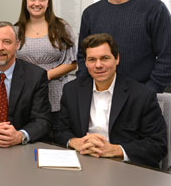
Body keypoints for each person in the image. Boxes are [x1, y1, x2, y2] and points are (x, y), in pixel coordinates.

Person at [55, 33, 167, 168]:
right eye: (91, 59)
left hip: (124, 167)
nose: (98, 65)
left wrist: (115, 150)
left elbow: (157, 145)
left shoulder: (142, 95)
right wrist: (75, 142)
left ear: (117, 59)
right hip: (82, 162)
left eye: (105, 58)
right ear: (85, 62)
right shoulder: (71, 90)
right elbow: (58, 131)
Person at [77, 0, 171, 93]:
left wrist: (148, 92)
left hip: (141, 97)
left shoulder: (154, 9)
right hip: (100, 95)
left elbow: (167, 56)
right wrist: (85, 89)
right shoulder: (91, 13)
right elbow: (83, 57)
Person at [0, 21, 51, 147]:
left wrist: (20, 136)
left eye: (7, 42)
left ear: (17, 45)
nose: (0, 47)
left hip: (24, 147)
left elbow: (42, 120)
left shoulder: (36, 76)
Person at [14, 0, 76, 128]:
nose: (37, 3)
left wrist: (44, 76)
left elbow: (72, 62)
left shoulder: (62, 27)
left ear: (49, 2)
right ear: (26, 2)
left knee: (55, 140)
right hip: (25, 95)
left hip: (55, 95)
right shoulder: (16, 30)